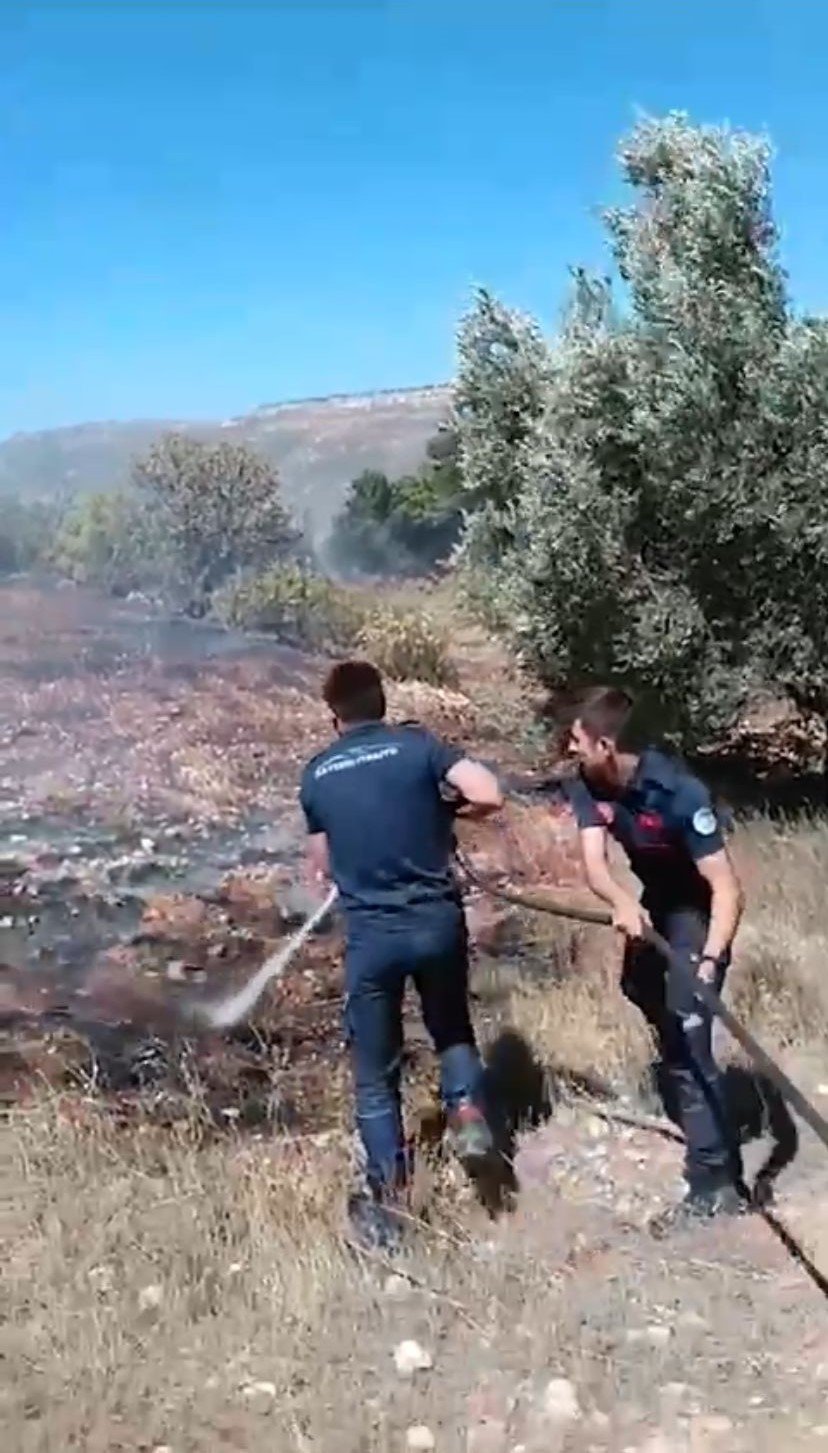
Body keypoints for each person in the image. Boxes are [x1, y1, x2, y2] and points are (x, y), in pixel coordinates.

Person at [299, 659, 504, 1250]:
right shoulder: (419, 748)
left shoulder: (317, 774)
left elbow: (323, 866)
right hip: (437, 925)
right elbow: (489, 794)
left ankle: (390, 1209)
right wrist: (446, 813)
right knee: (452, 1030)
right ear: (383, 702)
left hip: (373, 940)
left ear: (333, 714)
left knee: (374, 1077)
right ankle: (467, 1112)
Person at [564, 686, 746, 1232]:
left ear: (605, 744)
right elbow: (595, 864)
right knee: (638, 985)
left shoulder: (680, 792)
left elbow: (727, 889)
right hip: (655, 905)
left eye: (577, 740)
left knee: (690, 1035)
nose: (569, 749)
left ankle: (716, 1183)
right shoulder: (586, 782)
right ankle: (688, 1077)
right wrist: (622, 902)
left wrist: (709, 963)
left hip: (697, 912)